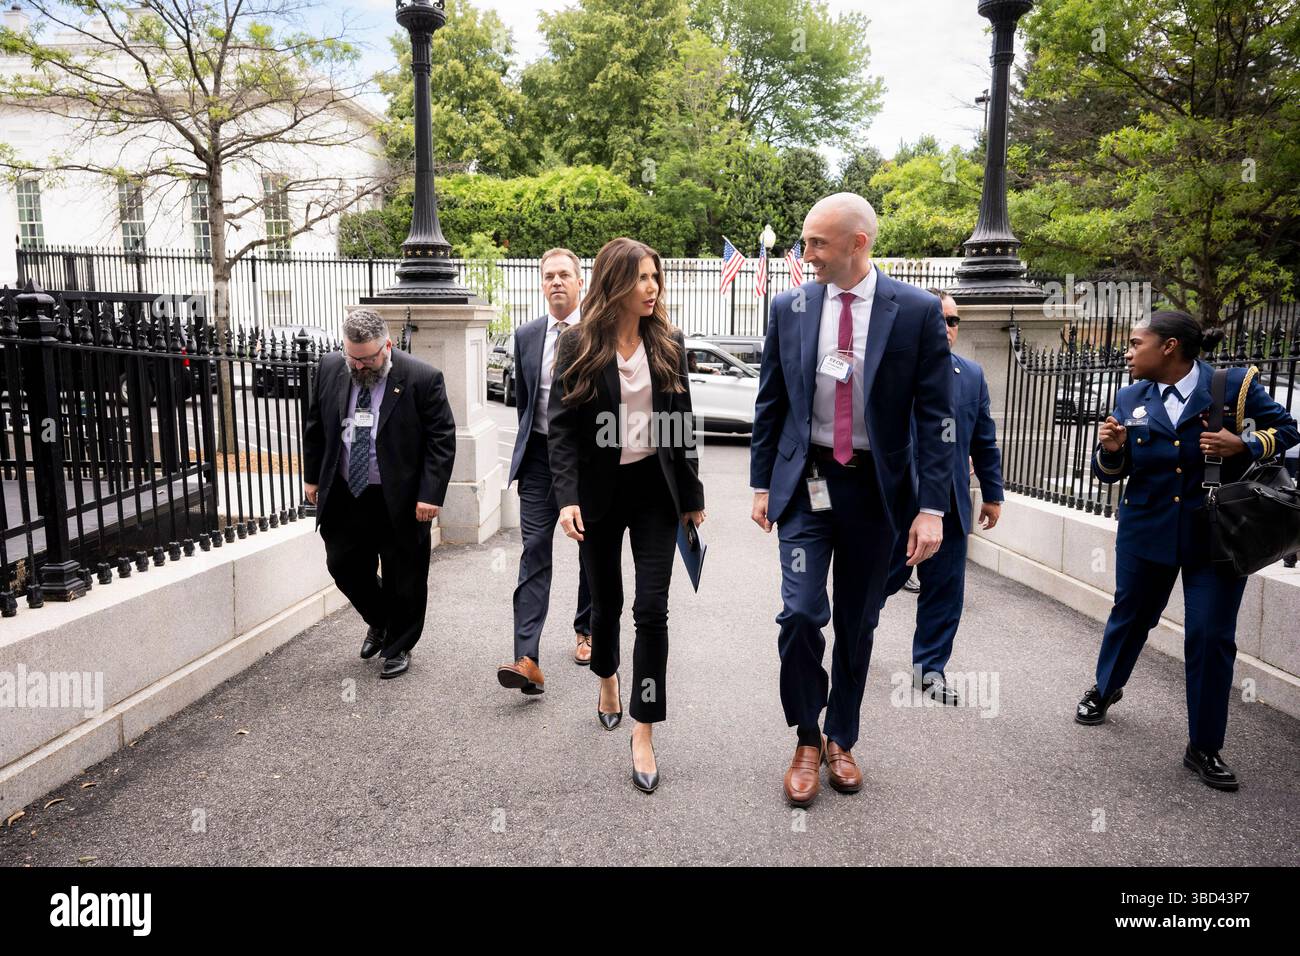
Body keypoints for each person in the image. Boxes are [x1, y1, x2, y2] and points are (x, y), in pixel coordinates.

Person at [750, 193, 953, 807]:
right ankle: (807, 736)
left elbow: (935, 415)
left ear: (858, 243)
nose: (806, 253)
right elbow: (771, 401)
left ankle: (842, 736)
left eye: (817, 243)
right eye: (804, 241)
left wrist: (932, 508)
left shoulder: (914, 311)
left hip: (876, 492)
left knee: (859, 624)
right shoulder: (789, 306)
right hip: (808, 484)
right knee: (800, 615)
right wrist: (762, 483)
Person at [1077, 311, 1298, 791]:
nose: (1129, 352)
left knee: (1210, 637)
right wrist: (1112, 450)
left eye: (1137, 343)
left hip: (1215, 537)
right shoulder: (1130, 395)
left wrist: (1244, 443)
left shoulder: (1232, 386)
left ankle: (1204, 746)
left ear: (1170, 347)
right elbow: (1115, 470)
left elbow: (1288, 430)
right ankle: (1106, 688)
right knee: (1131, 615)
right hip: (1146, 531)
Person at [548, 236, 706, 794]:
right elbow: (562, 430)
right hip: (598, 491)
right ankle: (607, 678)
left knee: (652, 608)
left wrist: (693, 498)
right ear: (616, 282)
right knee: (607, 602)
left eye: (656, 278)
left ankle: (644, 728)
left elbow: (682, 424)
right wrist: (567, 498)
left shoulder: (669, 341)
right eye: (642, 277)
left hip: (654, 491)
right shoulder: (578, 344)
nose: (653, 287)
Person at [302, 309, 457, 680]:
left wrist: (430, 493)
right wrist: (312, 478)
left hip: (399, 495)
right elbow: (315, 424)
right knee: (342, 564)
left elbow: (441, 439)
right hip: (345, 491)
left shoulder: (422, 378)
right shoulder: (329, 367)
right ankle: (382, 620)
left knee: (404, 571)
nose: (359, 365)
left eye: (368, 358)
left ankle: (398, 644)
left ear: (387, 346)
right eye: (352, 357)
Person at [882, 290, 1004, 705]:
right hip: (892, 505)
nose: (948, 328)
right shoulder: (888, 371)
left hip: (948, 504)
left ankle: (929, 671)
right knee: (874, 586)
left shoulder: (970, 374)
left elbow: (984, 438)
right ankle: (850, 650)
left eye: (954, 322)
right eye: (941, 320)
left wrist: (992, 493)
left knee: (945, 591)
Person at [496, 248, 594, 696]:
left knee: (590, 552)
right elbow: (526, 402)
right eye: (548, 276)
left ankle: (586, 629)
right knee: (535, 549)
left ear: (580, 282)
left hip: (587, 461)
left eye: (564, 276)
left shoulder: (598, 332)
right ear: (542, 284)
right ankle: (527, 658)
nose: (556, 282)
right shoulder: (527, 334)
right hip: (538, 459)